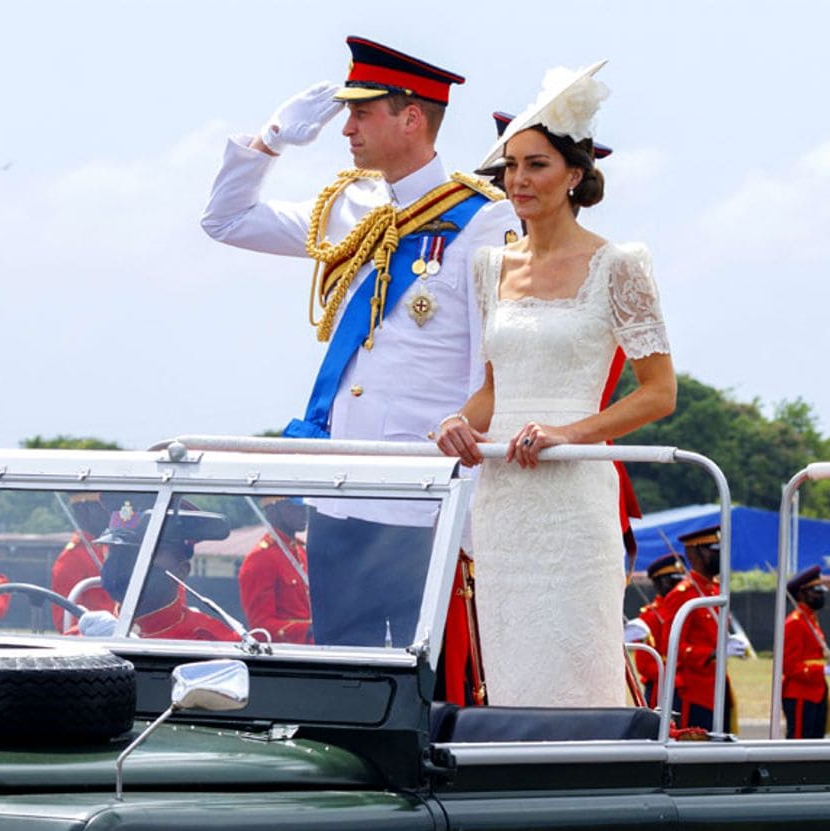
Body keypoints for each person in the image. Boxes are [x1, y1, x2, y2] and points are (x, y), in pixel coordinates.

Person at [202, 35, 519, 646]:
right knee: (342, 660)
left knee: (419, 671)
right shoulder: (351, 205)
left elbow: (491, 369)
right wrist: (270, 140)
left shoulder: (484, 219)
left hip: (418, 488)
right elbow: (225, 220)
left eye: (362, 112)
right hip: (339, 479)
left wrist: (469, 494)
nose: (347, 128)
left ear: (411, 118)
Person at [436, 62, 677, 707]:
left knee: (578, 664)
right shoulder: (490, 267)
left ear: (575, 174)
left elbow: (659, 392)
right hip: (503, 497)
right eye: (510, 166)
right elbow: (493, 388)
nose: (518, 180)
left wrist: (569, 435)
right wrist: (459, 422)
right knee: (511, 670)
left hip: (572, 494)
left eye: (536, 164)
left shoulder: (619, 264)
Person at [92, 506, 238, 642]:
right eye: (116, 551)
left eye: (146, 552)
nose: (123, 563)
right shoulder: (83, 637)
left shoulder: (215, 642)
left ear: (181, 571)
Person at [656, 525, 744, 731]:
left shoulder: (715, 591)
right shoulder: (682, 594)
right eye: (713, 548)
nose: (719, 554)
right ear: (693, 553)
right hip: (694, 693)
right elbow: (672, 646)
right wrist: (713, 653)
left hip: (718, 687)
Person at [238, 497, 312, 643]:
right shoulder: (260, 559)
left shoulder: (302, 551)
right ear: (272, 510)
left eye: (304, 506)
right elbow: (261, 629)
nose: (303, 511)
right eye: (293, 506)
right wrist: (308, 630)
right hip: (286, 656)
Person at [625, 553, 687, 707]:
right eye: (672, 581)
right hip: (662, 687)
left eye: (680, 581)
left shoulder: (685, 610)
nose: (678, 586)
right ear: (659, 583)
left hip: (687, 686)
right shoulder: (650, 616)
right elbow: (644, 664)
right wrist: (673, 675)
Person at [50, 493, 115, 632]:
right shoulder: (71, 559)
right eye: (104, 508)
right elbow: (66, 624)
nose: (111, 514)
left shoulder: (111, 548)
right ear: (84, 510)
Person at [781, 565, 829, 739]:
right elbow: (789, 666)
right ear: (801, 594)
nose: (820, 595)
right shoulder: (795, 623)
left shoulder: (810, 619)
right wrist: (822, 670)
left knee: (815, 744)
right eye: (815, 591)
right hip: (800, 693)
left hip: (817, 692)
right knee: (799, 742)